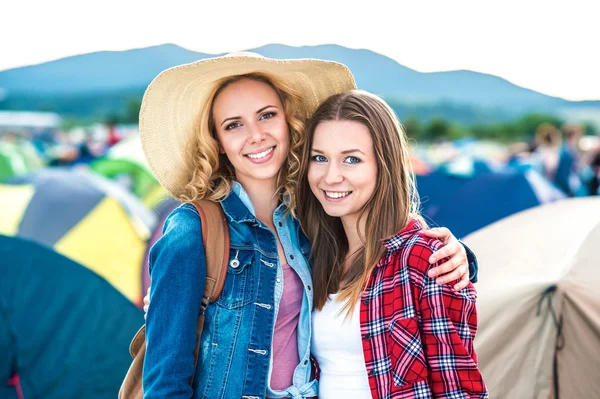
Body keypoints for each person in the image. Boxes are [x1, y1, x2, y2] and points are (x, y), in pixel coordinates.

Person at [139, 53, 478, 399]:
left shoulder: (311, 224)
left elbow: (387, 252)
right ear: (218, 143)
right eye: (234, 125)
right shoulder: (193, 230)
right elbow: (165, 383)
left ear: (289, 123)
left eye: (267, 115)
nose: (255, 135)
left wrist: (458, 255)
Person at [297, 91, 488, 398]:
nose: (331, 176)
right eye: (320, 158)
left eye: (351, 159)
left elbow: (458, 390)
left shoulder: (425, 259)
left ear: (383, 165)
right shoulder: (312, 253)